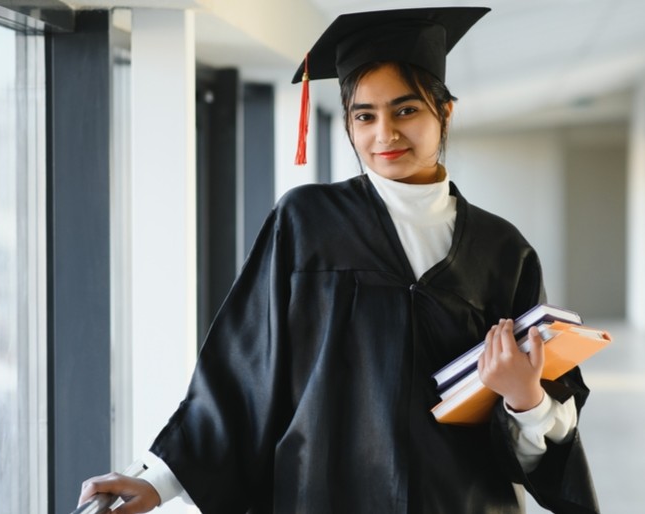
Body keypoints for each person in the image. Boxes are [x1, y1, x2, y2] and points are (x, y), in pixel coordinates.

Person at [79, 7, 599, 513]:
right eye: (364, 116)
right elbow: (242, 373)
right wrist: (157, 480)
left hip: (461, 500)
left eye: (406, 109)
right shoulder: (306, 223)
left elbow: (544, 440)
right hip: (322, 494)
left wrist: (527, 398)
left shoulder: (501, 249)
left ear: (444, 111)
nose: (384, 134)